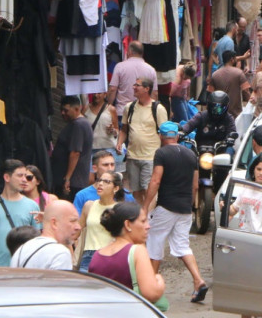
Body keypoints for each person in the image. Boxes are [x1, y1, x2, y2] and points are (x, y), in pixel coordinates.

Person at [143, 121, 209, 303]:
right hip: (185, 209)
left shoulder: (161, 153)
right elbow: (195, 185)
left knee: (154, 243)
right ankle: (198, 280)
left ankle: (150, 289)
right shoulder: (191, 154)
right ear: (177, 136)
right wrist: (190, 205)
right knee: (182, 246)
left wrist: (145, 206)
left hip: (166, 207)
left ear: (161, 137)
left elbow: (156, 181)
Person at [89, 202, 166, 303]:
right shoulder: (137, 251)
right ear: (127, 224)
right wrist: (159, 281)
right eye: (143, 221)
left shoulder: (97, 255)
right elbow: (152, 293)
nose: (148, 226)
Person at [0, 159, 39, 267]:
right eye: (20, 176)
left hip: (22, 267)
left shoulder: (32, 206)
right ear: (7, 177)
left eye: (26, 176)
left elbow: (37, 239)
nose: (24, 180)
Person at [116, 77, 168, 204]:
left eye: (137, 85)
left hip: (151, 157)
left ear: (146, 89)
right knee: (136, 191)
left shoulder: (158, 109)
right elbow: (124, 129)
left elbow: (165, 134)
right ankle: (139, 217)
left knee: (148, 190)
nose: (134, 87)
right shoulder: (129, 107)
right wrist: (119, 143)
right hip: (132, 156)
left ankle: (148, 218)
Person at [10, 200, 81, 270]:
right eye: (72, 221)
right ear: (54, 223)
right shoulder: (60, 253)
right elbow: (60, 281)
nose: (78, 227)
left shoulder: (22, 249)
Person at [78, 171, 126, 272]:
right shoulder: (89, 205)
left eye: (106, 181)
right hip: (88, 256)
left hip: (111, 255)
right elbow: (76, 230)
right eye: (99, 180)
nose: (100, 184)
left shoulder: (120, 209)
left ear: (116, 188)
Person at [227, 154, 262, 235]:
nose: (261, 173)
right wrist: (224, 207)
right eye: (259, 169)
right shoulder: (246, 188)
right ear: (253, 169)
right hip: (243, 234)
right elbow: (233, 210)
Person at [50, 95, 93, 201]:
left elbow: (75, 152)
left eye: (66, 110)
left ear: (77, 109)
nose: (63, 113)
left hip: (73, 182)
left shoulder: (79, 125)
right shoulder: (79, 124)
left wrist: (68, 178)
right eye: (61, 110)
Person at [74, 150, 136, 215]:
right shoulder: (82, 196)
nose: (110, 168)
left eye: (112, 165)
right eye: (105, 165)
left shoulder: (125, 194)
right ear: (95, 168)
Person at [107, 41, 158, 120]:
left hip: (122, 111)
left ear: (129, 51)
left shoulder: (120, 67)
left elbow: (112, 89)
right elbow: (154, 93)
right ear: (142, 53)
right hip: (144, 113)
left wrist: (108, 107)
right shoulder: (151, 70)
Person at [84, 92, 120, 177]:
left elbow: (117, 129)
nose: (96, 95)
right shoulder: (86, 109)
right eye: (94, 93)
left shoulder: (111, 109)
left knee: (107, 176)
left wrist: (113, 130)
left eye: (99, 93)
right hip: (91, 148)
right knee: (90, 178)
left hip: (107, 148)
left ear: (105, 94)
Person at [208, 50, 251, 119]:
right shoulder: (239, 73)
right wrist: (251, 103)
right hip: (235, 113)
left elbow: (210, 93)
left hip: (219, 112)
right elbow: (246, 91)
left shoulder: (215, 74)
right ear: (232, 60)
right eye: (235, 59)